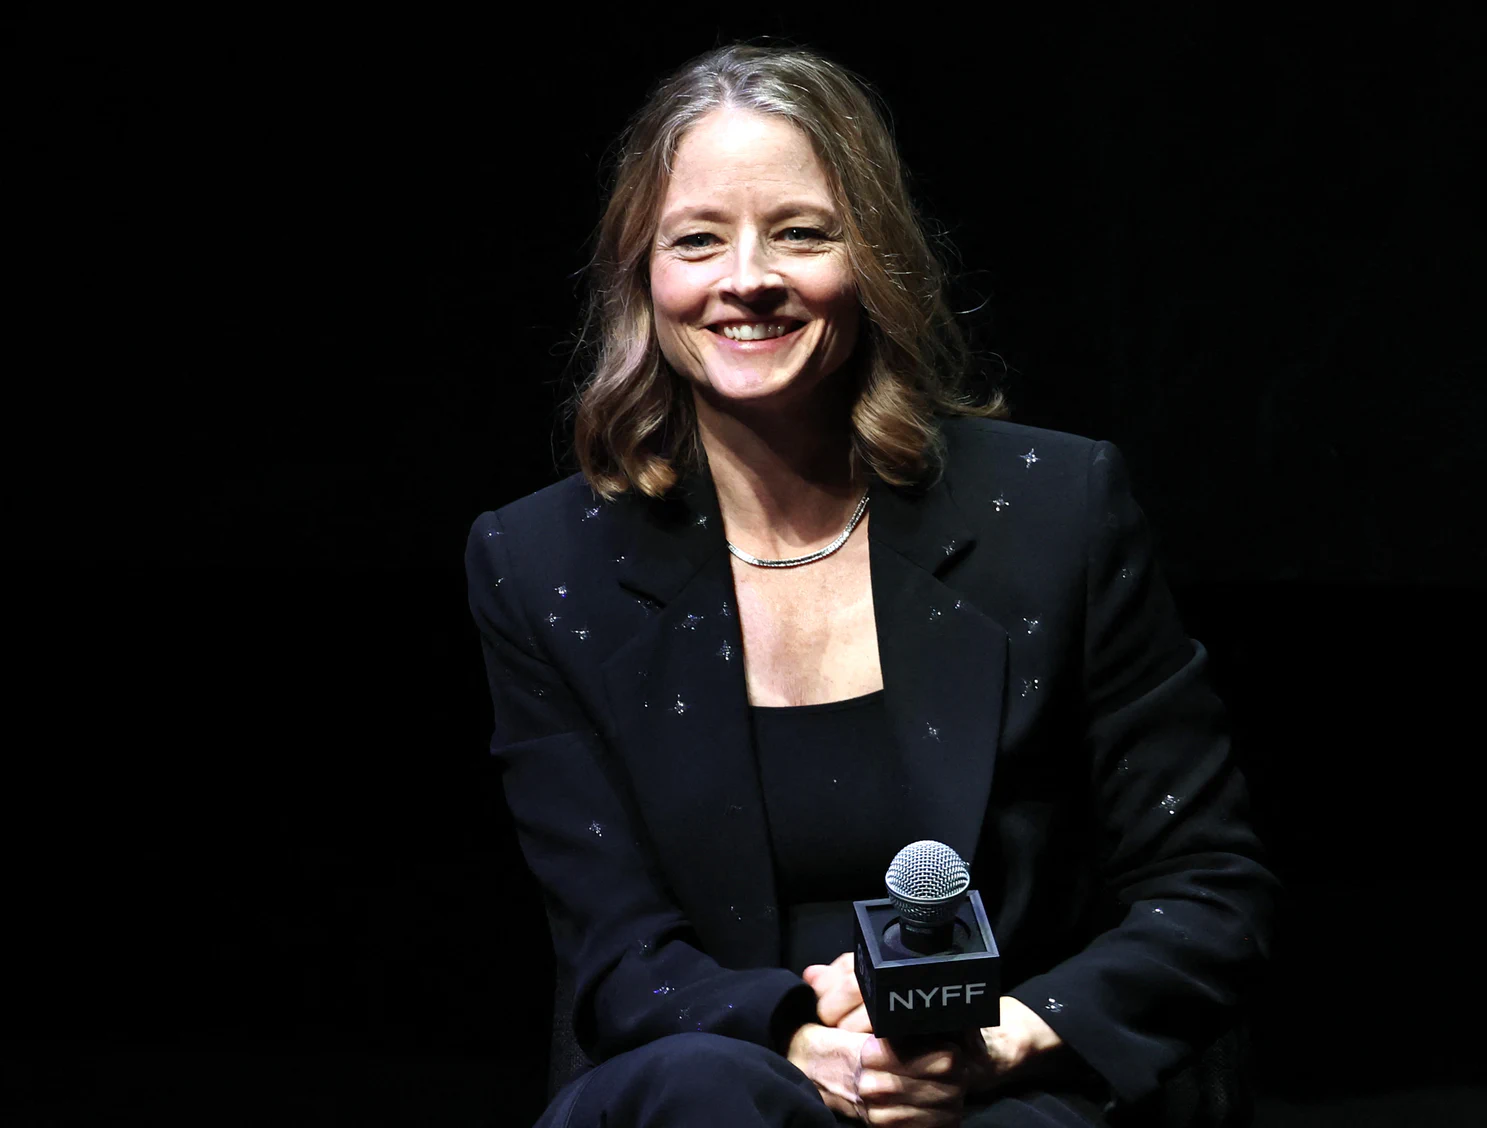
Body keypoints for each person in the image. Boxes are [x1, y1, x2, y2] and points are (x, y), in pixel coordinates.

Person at [465, 41, 1280, 1127]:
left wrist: (1005, 1039)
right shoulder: (541, 562)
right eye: (696, 240)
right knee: (706, 1090)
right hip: (721, 1075)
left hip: (1007, 1083)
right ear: (641, 276)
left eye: (800, 233)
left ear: (876, 257)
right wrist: (808, 1044)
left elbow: (1206, 890)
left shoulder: (1053, 510)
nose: (746, 278)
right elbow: (617, 951)